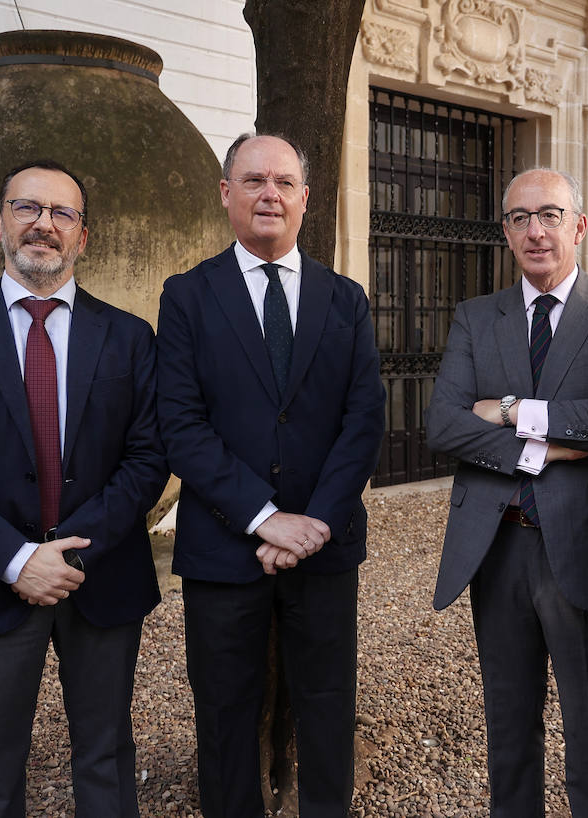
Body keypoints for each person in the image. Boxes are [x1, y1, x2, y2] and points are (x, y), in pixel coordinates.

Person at [0, 159, 168, 817]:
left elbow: (148, 458)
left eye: (62, 213)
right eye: (27, 208)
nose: (44, 224)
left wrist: (71, 555)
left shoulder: (129, 339)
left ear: (82, 236)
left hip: (100, 581)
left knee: (106, 760)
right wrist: (17, 560)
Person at [156, 133, 385, 817]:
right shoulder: (188, 297)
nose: (269, 194)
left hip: (325, 547)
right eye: (253, 180)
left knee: (326, 706)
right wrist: (265, 517)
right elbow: (181, 426)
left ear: (305, 200)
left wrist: (313, 523)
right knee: (225, 714)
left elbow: (362, 421)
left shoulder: (345, 300)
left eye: (284, 182)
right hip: (225, 550)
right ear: (227, 193)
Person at [425, 167, 588, 818]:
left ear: (579, 225)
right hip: (496, 550)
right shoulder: (477, 317)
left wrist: (506, 412)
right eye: (520, 218)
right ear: (504, 232)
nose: (536, 231)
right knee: (508, 734)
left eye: (551, 214)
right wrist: (549, 443)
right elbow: (442, 423)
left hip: (585, 549)